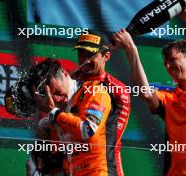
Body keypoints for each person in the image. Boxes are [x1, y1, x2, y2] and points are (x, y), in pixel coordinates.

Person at [112, 0, 186, 175]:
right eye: (165, 64)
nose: (168, 66)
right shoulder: (169, 98)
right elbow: (145, 92)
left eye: (172, 60)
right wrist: (131, 49)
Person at [33, 30, 130, 176]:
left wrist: (54, 113)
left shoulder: (105, 89)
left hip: (103, 169)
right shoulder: (77, 87)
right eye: (81, 54)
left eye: (90, 54)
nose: (85, 60)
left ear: (106, 56)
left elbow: (91, 132)